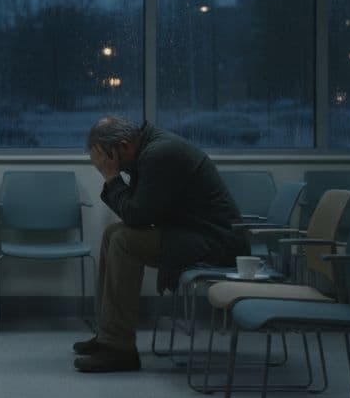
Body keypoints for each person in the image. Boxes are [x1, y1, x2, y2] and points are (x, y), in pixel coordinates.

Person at [75, 116, 244, 372]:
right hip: (193, 233)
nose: (112, 167)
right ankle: (108, 334)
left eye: (109, 159)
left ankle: (119, 349)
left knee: (123, 240)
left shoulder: (159, 154)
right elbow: (138, 211)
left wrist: (111, 178)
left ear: (123, 146)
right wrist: (115, 177)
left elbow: (137, 216)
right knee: (113, 233)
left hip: (215, 243)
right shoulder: (148, 150)